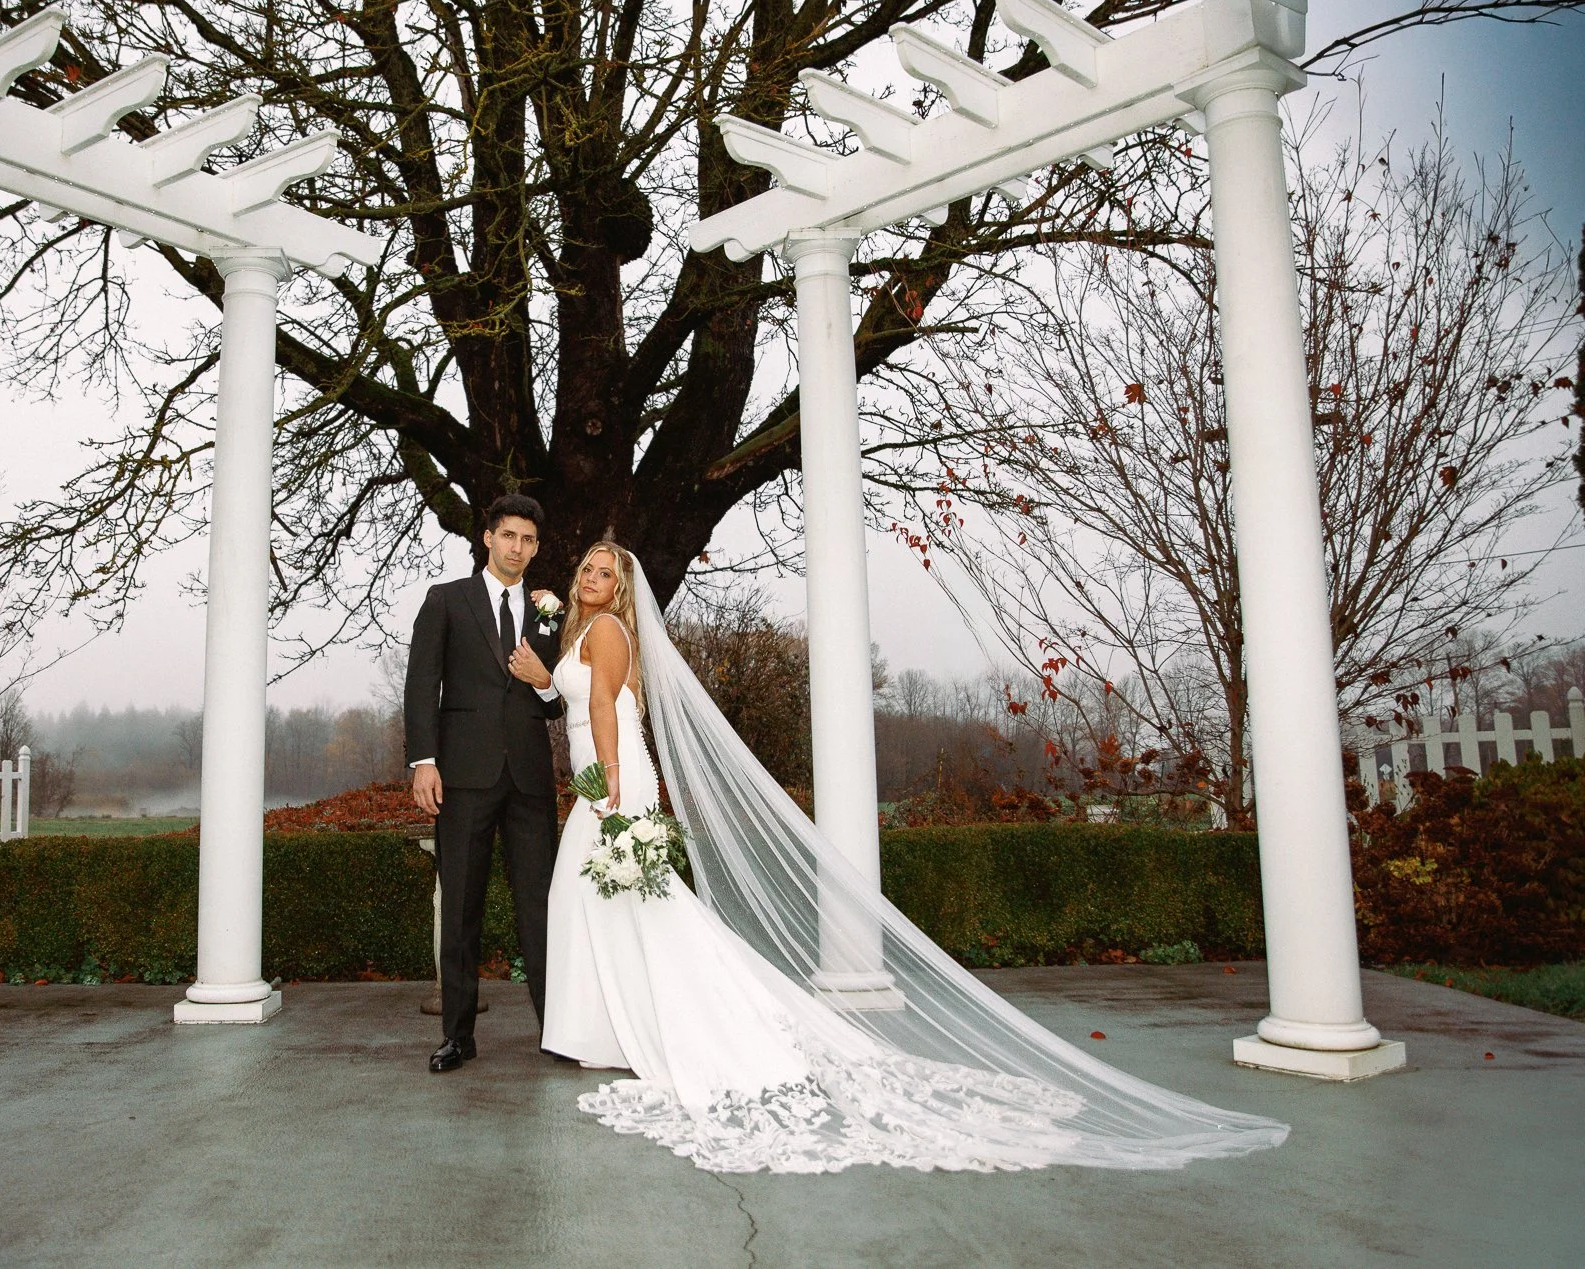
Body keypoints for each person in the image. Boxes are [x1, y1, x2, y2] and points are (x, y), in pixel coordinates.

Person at [538, 541, 1289, 1174]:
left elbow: (604, 708)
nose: (589, 578)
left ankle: (653, 1027)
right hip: (600, 774)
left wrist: (603, 790)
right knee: (610, 901)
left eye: (604, 571)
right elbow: (578, 698)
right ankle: (612, 1027)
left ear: (624, 589)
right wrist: (546, 681)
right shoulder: (584, 631)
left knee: (619, 897)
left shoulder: (607, 632)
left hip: (610, 777)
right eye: (587, 569)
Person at [403, 494, 566, 1074]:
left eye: (528, 539)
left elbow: (556, 705)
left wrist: (544, 682)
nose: (517, 547)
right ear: (488, 537)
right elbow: (422, 684)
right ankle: (457, 1035)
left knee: (541, 911)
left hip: (528, 780)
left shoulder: (550, 611)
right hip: (462, 779)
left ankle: (559, 1030)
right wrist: (424, 760)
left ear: (536, 547)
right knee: (461, 909)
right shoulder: (447, 600)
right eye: (508, 536)